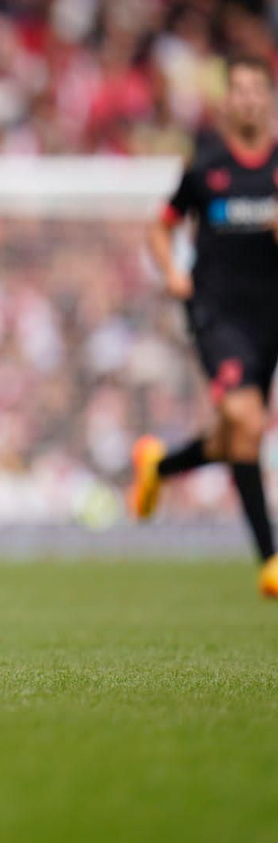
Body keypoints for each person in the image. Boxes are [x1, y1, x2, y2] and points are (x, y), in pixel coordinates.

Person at [131, 53, 278, 597]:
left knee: (235, 433)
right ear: (227, 102)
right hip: (217, 313)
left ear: (268, 98)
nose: (247, 99)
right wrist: (172, 272)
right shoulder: (207, 165)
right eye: (237, 90)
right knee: (246, 416)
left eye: (256, 89)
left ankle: (161, 466)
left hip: (270, 317)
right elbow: (160, 226)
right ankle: (271, 560)